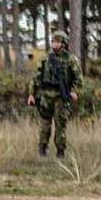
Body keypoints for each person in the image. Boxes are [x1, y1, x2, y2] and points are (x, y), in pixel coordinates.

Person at [27, 30, 83, 158]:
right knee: (44, 125)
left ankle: (60, 152)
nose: (55, 44)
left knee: (60, 125)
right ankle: (42, 150)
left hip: (61, 97)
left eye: (57, 41)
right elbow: (36, 78)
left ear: (63, 43)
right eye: (53, 41)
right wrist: (31, 94)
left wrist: (74, 92)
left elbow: (79, 79)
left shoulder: (71, 59)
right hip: (45, 96)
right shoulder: (46, 59)